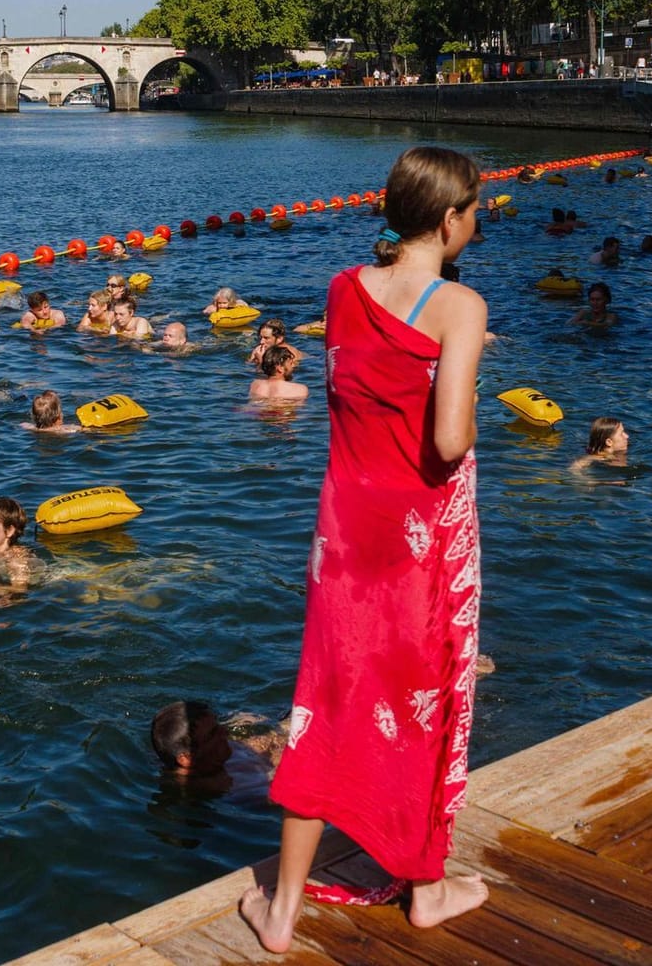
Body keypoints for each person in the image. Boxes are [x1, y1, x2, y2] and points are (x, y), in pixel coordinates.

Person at [241, 146, 491, 953]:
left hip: (343, 531)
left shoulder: (344, 288)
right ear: (450, 218)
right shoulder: (461, 307)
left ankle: (279, 912)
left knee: (325, 701)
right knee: (425, 695)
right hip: (417, 541)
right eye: (474, 209)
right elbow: (449, 442)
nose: (476, 222)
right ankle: (425, 889)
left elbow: (353, 399)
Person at [151, 701, 285, 798]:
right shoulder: (226, 787)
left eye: (217, 726)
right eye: (212, 734)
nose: (225, 732)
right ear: (185, 759)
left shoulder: (210, 758)